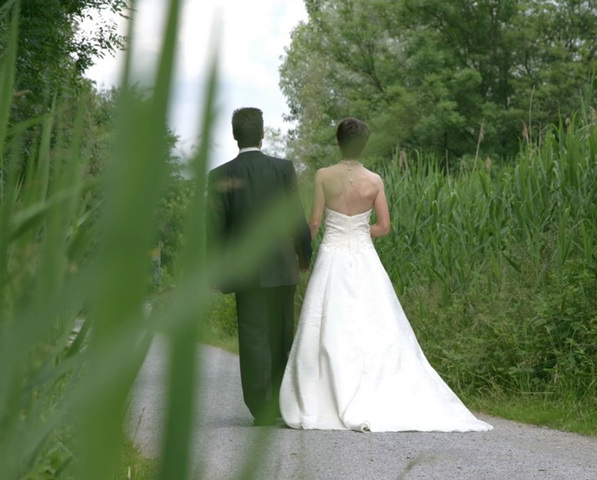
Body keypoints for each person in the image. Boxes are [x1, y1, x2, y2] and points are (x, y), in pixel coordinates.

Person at [279, 118, 492, 432]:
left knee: (327, 319)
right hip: (362, 253)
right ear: (364, 145)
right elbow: (384, 226)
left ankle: (324, 392)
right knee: (373, 320)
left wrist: (305, 249)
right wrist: (361, 233)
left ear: (338, 142)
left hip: (332, 254)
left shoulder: (324, 176)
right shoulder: (374, 180)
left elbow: (313, 223)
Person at [209, 107, 312, 426]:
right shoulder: (282, 169)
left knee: (253, 337)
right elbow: (295, 216)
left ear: (234, 135)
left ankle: (261, 409)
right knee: (281, 335)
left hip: (246, 271)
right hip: (281, 266)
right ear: (263, 134)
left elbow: (215, 228)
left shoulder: (220, 176)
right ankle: (283, 404)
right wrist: (304, 256)